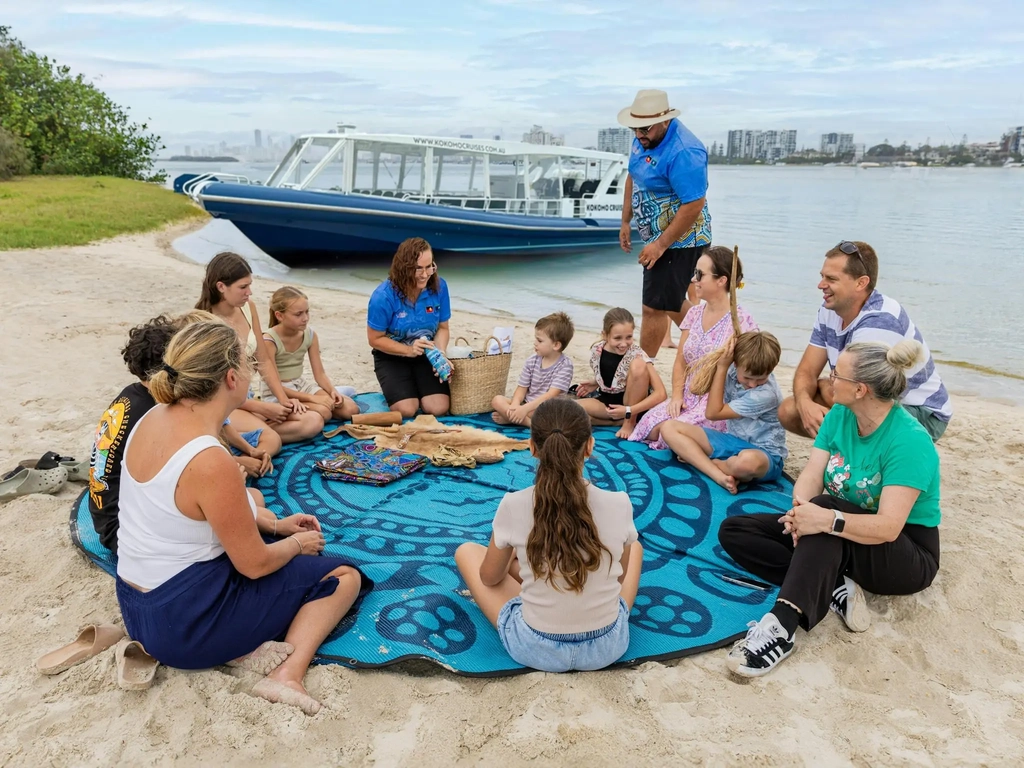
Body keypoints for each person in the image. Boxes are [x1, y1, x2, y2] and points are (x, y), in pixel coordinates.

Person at [115, 321, 373, 715]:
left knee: (260, 517)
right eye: (249, 362)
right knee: (343, 576)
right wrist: (296, 544)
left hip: (137, 606)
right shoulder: (209, 459)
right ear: (231, 378)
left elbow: (187, 513)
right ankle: (287, 674)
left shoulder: (150, 419)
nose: (254, 368)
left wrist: (272, 525)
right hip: (184, 627)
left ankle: (248, 643)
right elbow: (253, 565)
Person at [718, 341, 941, 678]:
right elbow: (812, 474)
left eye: (837, 374)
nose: (829, 379)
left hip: (903, 554)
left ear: (860, 389)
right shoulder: (840, 414)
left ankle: (781, 629)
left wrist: (823, 519)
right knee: (736, 531)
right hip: (839, 527)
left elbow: (888, 527)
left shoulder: (909, 441)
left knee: (823, 515)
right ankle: (834, 582)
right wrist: (800, 511)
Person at [454, 398, 644, 672]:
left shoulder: (514, 504)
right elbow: (620, 576)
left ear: (532, 448)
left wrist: (514, 561)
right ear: (589, 446)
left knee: (467, 552)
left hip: (536, 646)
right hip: (607, 646)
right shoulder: (620, 502)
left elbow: (490, 578)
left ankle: (538, 581)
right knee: (633, 546)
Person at [88, 311, 281, 552]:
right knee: (253, 500)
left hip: (106, 514)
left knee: (249, 503)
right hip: (126, 531)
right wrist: (233, 474)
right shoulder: (159, 412)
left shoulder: (132, 396)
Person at [778, 240, 952, 442]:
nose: (821, 285)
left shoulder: (880, 320)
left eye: (831, 279)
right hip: (866, 396)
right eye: (822, 276)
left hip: (920, 412)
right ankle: (847, 454)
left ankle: (857, 457)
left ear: (861, 283)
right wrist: (805, 404)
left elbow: (859, 392)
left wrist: (826, 387)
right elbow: (807, 369)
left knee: (830, 390)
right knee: (790, 410)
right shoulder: (830, 310)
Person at [616, 88, 712, 358]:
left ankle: (641, 370)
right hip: (656, 237)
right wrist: (626, 221)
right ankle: (714, 344)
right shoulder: (643, 138)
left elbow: (694, 204)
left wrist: (659, 246)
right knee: (667, 303)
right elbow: (633, 176)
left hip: (682, 238)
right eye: (634, 128)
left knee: (655, 306)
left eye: (644, 128)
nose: (638, 135)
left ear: (665, 121)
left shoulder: (685, 151)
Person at [630, 247, 758, 449]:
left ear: (721, 280)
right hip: (688, 397)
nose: (693, 279)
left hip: (715, 404)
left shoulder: (741, 322)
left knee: (666, 433)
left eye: (699, 274)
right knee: (647, 426)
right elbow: (681, 360)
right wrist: (677, 396)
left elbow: (751, 370)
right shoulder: (694, 313)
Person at [197, 252, 324, 443]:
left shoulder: (248, 307)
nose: (249, 292)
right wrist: (260, 408)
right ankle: (242, 435)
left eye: (250, 285)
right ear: (221, 286)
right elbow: (209, 389)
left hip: (246, 397)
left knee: (314, 420)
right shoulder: (204, 322)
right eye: (243, 287)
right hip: (221, 404)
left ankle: (248, 433)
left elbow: (263, 359)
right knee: (272, 440)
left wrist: (283, 399)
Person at [660, 331, 787, 494]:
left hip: (764, 454)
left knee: (747, 463)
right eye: (747, 377)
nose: (753, 384)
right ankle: (719, 475)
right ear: (735, 363)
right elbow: (695, 388)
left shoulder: (767, 394)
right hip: (732, 440)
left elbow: (712, 413)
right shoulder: (731, 367)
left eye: (761, 378)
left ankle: (707, 462)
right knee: (669, 427)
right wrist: (722, 363)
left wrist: (722, 368)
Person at [366, 237, 451, 419]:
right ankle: (403, 390)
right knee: (406, 410)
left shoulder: (439, 287)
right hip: (392, 356)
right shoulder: (383, 296)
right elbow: (374, 339)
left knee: (438, 408)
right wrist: (408, 350)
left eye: (430, 266)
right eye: (418, 268)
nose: (425, 274)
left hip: (427, 354)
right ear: (404, 267)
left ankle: (416, 387)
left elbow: (443, 328)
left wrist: (441, 354)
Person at [261, 286, 359, 424]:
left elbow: (319, 374)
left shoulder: (310, 335)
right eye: (298, 314)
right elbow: (274, 384)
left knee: (350, 409)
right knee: (324, 412)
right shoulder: (269, 341)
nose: (305, 318)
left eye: (307, 312)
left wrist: (331, 390)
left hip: (300, 385)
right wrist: (313, 398)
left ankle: (337, 390)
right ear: (279, 316)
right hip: (277, 393)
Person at [573, 308, 667, 440]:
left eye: (629, 337)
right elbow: (617, 372)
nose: (624, 344)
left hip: (634, 406)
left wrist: (629, 411)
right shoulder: (597, 349)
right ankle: (617, 422)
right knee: (570, 409)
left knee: (638, 365)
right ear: (605, 335)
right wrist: (596, 381)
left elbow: (661, 394)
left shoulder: (638, 354)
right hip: (608, 404)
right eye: (617, 338)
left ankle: (629, 422)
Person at [492, 312, 575, 427]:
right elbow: (522, 388)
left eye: (540, 341)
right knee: (497, 400)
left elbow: (550, 395)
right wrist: (515, 405)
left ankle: (525, 422)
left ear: (556, 345)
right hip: (527, 405)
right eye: (536, 339)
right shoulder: (532, 360)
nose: (535, 343)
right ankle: (519, 419)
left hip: (548, 408)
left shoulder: (565, 365)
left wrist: (524, 409)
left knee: (550, 415)